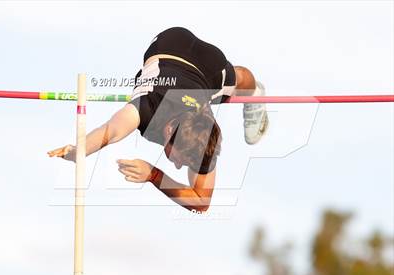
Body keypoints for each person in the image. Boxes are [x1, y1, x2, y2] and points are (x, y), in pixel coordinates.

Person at [48, 27, 268, 212]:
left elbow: (201, 202)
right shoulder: (149, 107)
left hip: (207, 66)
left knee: (239, 80)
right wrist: (79, 150)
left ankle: (256, 95)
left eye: (180, 161)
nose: (180, 166)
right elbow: (111, 131)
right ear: (169, 130)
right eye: (181, 159)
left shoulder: (204, 135)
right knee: (230, 85)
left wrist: (155, 175)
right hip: (170, 43)